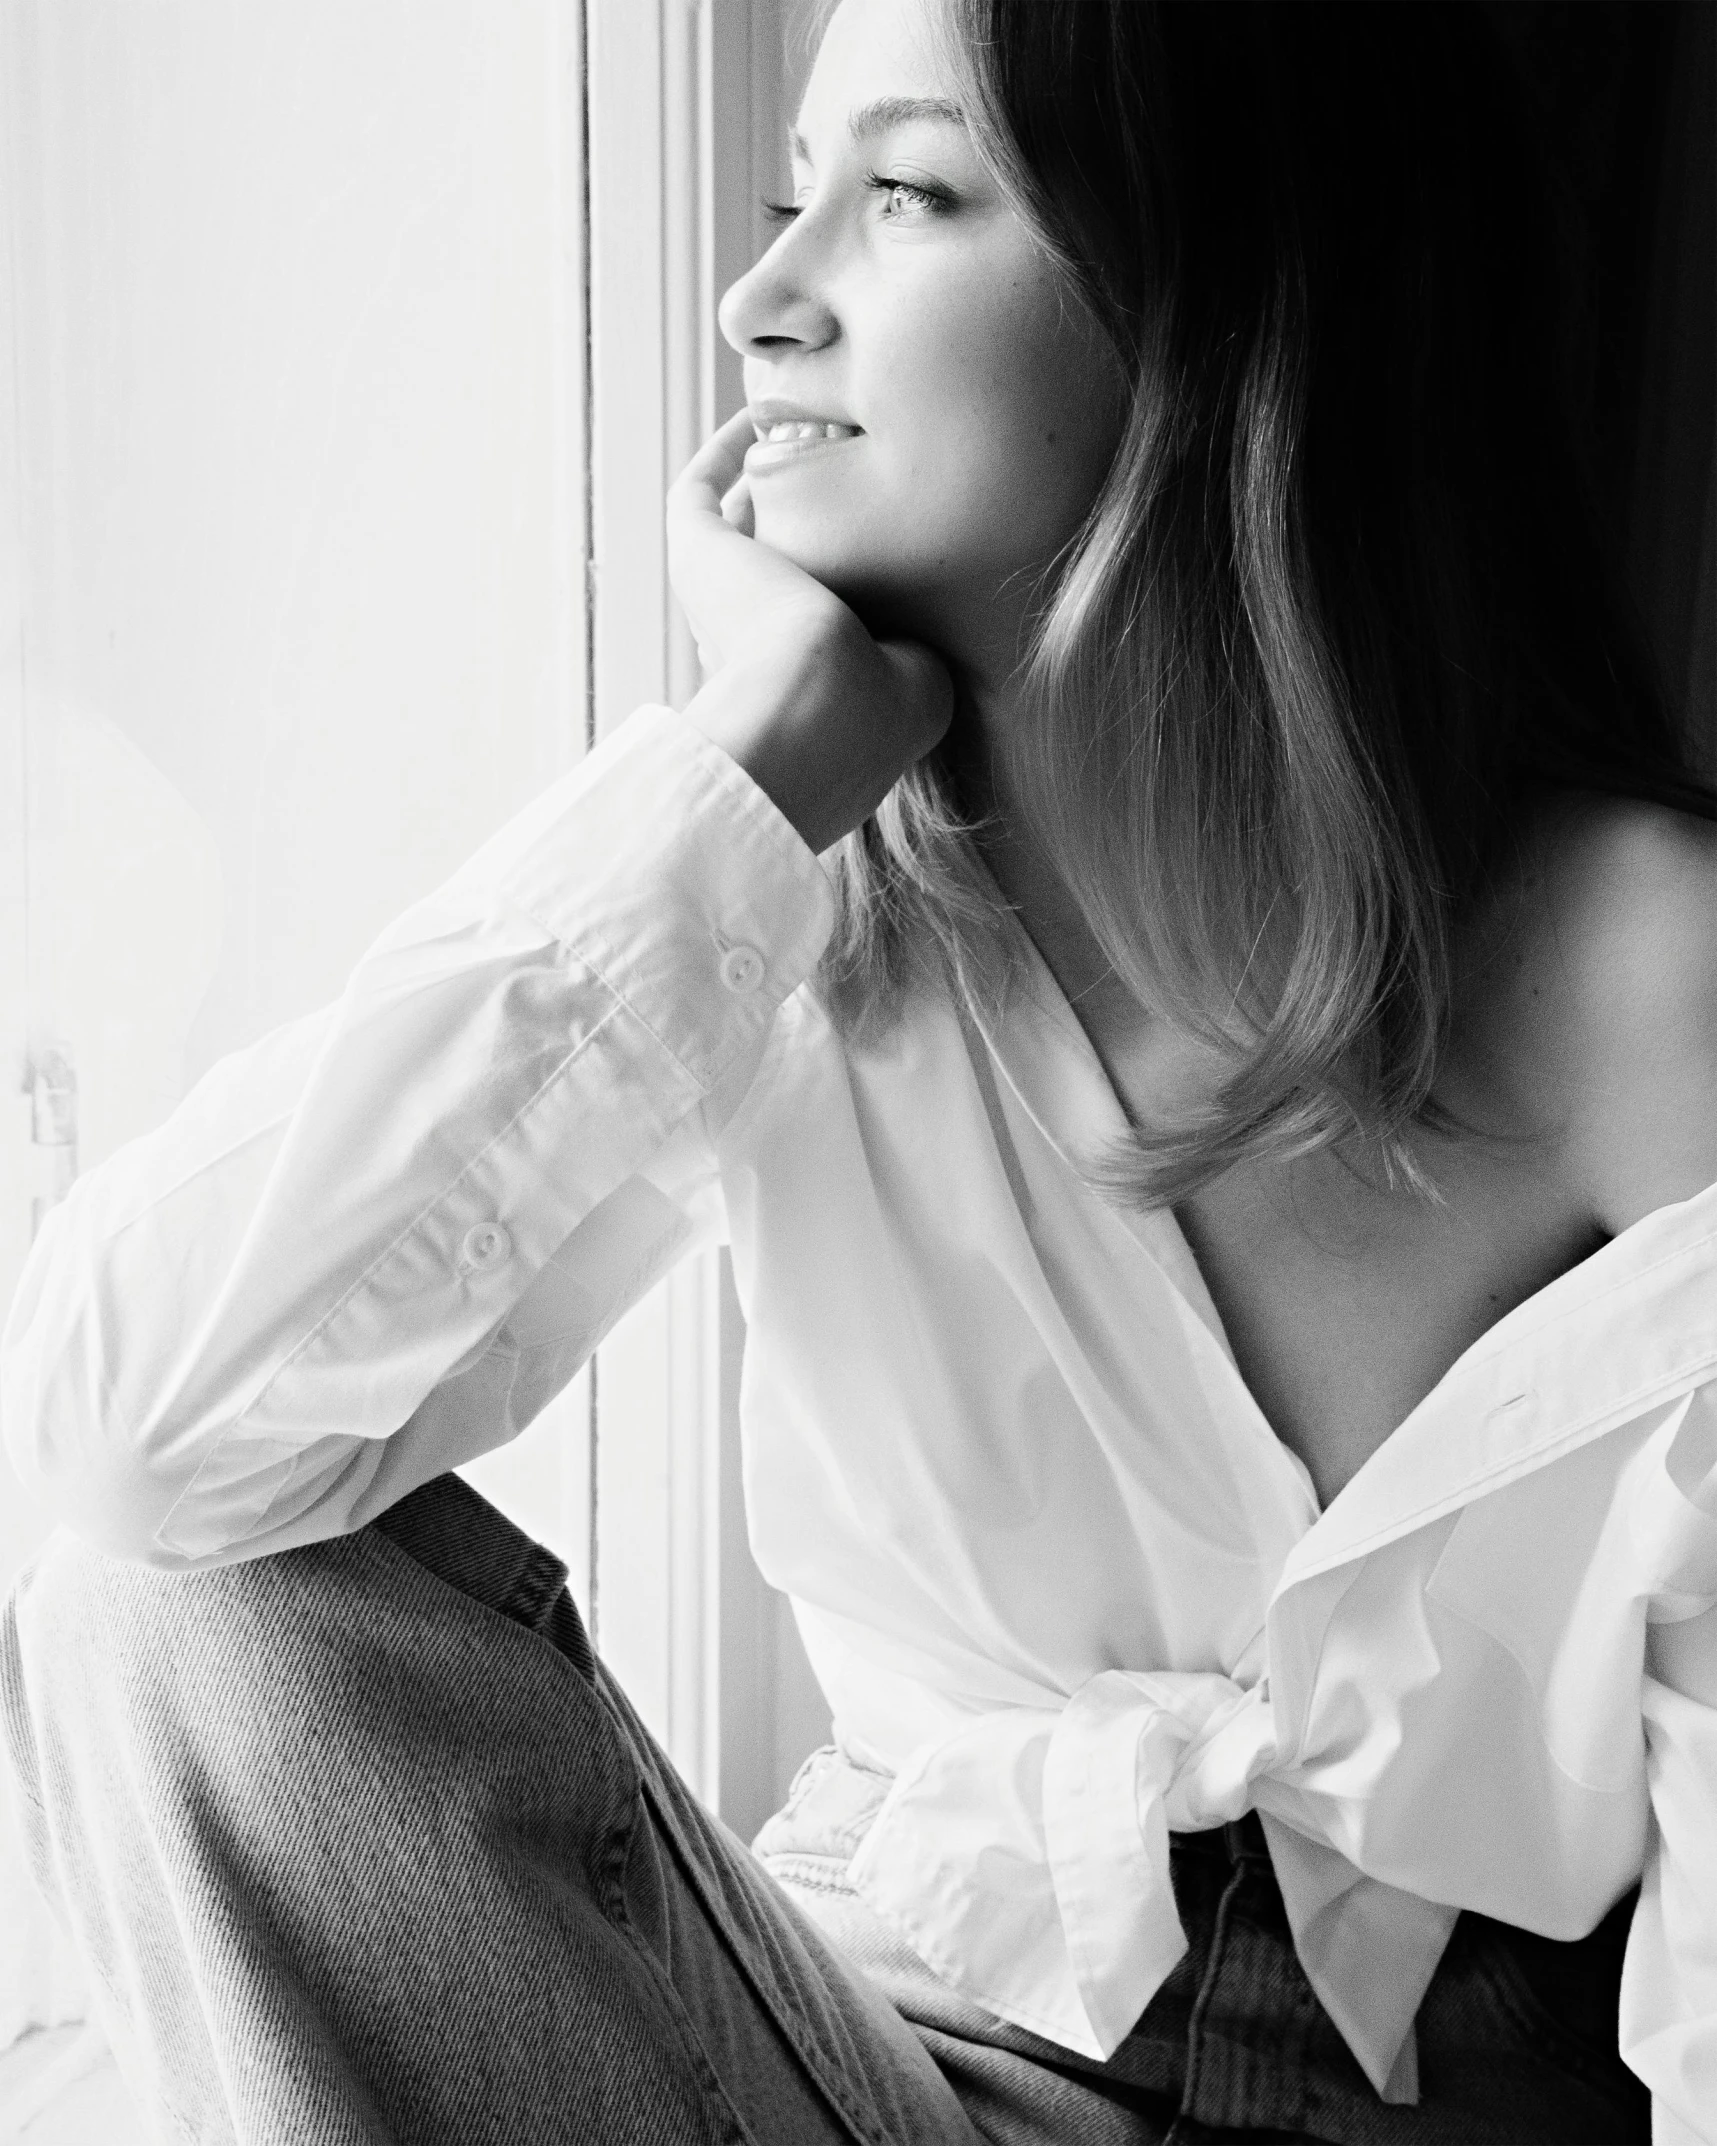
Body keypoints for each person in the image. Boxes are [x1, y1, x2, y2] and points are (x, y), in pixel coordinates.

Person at [3, 0, 1714, 2139]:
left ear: (1231, 301)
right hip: (876, 2069)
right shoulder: (765, 921)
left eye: (902, 193)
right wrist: (741, 768)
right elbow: (123, 1441)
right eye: (778, 188)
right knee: (186, 1603)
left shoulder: (1648, 976)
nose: (756, 295)